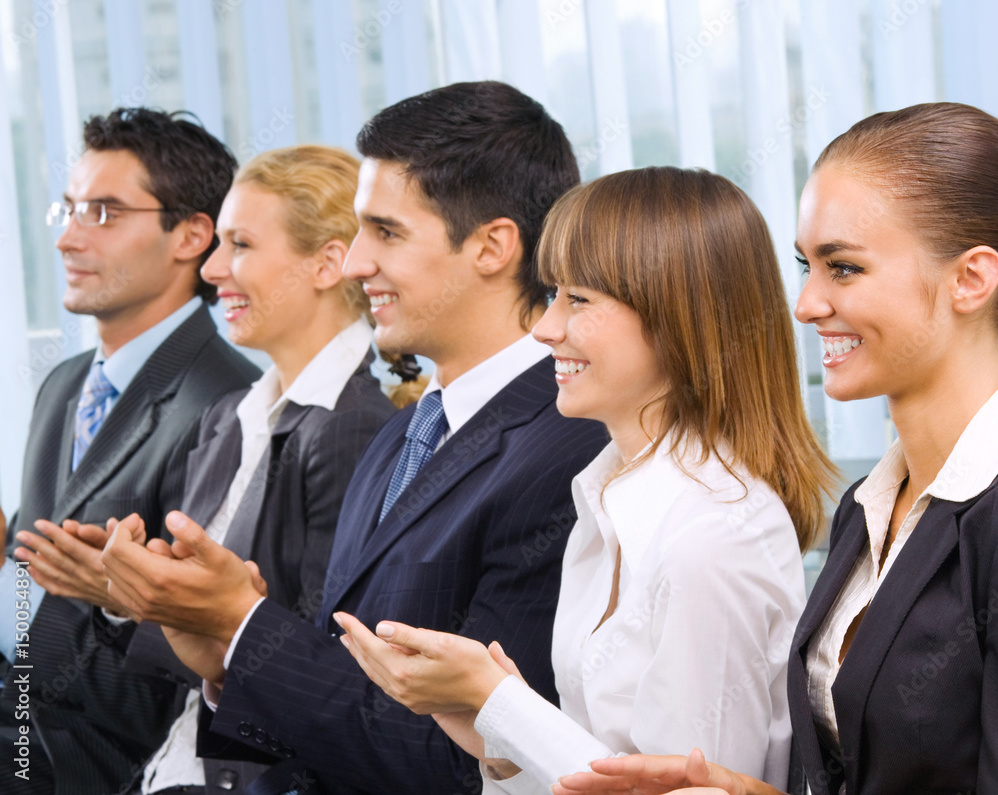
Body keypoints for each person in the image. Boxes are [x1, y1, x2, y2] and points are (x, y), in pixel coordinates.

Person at [99, 80, 610, 794]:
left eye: (387, 231)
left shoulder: (570, 447)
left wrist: (243, 624)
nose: (355, 261)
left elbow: (465, 766)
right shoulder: (404, 435)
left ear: (493, 245)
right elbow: (335, 697)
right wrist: (222, 656)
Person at [335, 166, 837, 793]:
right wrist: (490, 729)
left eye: (579, 300)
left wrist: (502, 702)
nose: (545, 329)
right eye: (552, 295)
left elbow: (679, 788)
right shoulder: (607, 495)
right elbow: (596, 760)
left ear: (677, 317)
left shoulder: (709, 537)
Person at [551, 101, 998, 795]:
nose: (806, 303)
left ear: (971, 279)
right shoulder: (869, 506)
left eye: (844, 268)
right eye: (805, 266)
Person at [105, 144, 391, 795]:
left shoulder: (351, 427)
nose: (212, 269)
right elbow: (193, 644)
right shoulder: (232, 416)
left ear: (328, 263)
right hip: (177, 759)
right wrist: (129, 589)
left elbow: (326, 672)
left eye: (239, 244)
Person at [0, 107, 260, 795]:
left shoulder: (228, 407)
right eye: (70, 210)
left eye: (105, 212)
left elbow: (173, 682)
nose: (68, 239)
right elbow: (32, 570)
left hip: (100, 762)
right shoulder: (62, 386)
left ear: (192, 235)